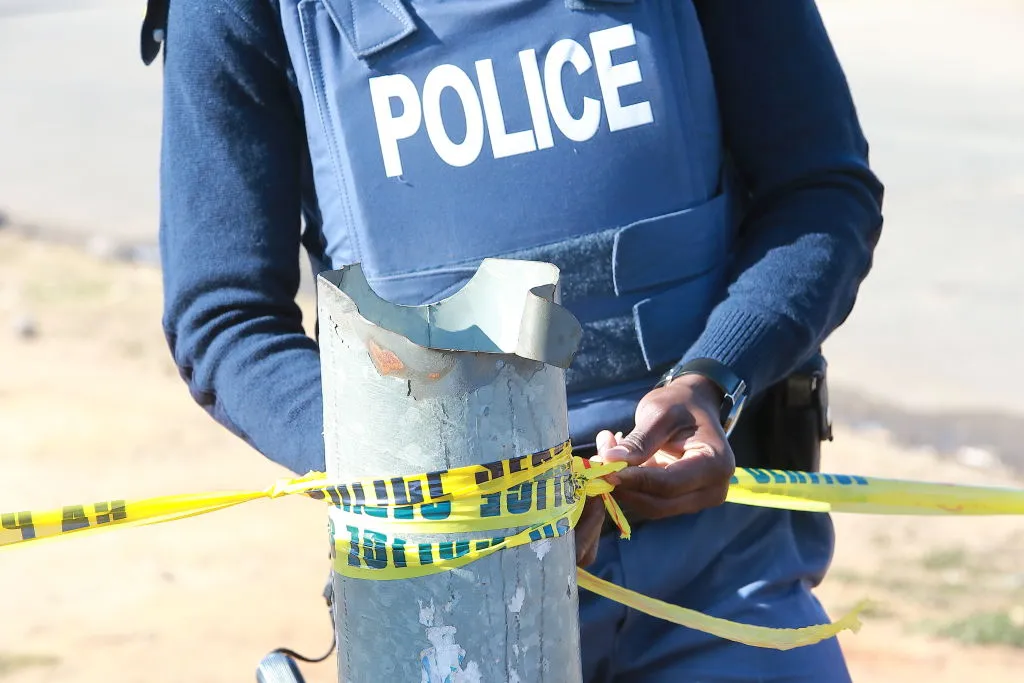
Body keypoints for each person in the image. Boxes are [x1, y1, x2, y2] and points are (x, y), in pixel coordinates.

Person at [152, 0, 884, 680]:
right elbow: (224, 314)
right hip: (450, 604)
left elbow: (822, 190)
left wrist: (718, 375)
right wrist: (433, 483)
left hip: (723, 577)